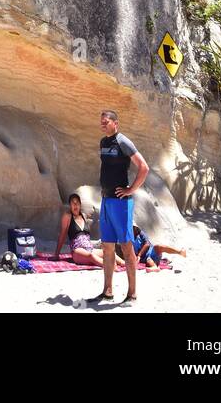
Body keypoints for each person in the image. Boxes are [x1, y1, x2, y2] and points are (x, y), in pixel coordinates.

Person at [90, 108, 149, 306]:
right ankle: (107, 291)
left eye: (106, 121)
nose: (102, 124)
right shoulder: (103, 142)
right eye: (101, 122)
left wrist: (131, 189)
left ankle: (132, 294)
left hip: (121, 204)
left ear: (116, 123)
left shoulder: (123, 141)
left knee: (126, 247)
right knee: (107, 247)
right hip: (106, 201)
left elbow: (143, 167)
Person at [54, 193, 123, 268]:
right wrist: (57, 254)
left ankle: (126, 263)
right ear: (70, 206)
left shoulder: (83, 216)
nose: (75, 205)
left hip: (89, 248)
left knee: (108, 252)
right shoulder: (67, 216)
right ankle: (109, 266)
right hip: (77, 250)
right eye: (73, 203)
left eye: (77, 202)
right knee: (91, 256)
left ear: (80, 205)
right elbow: (62, 235)